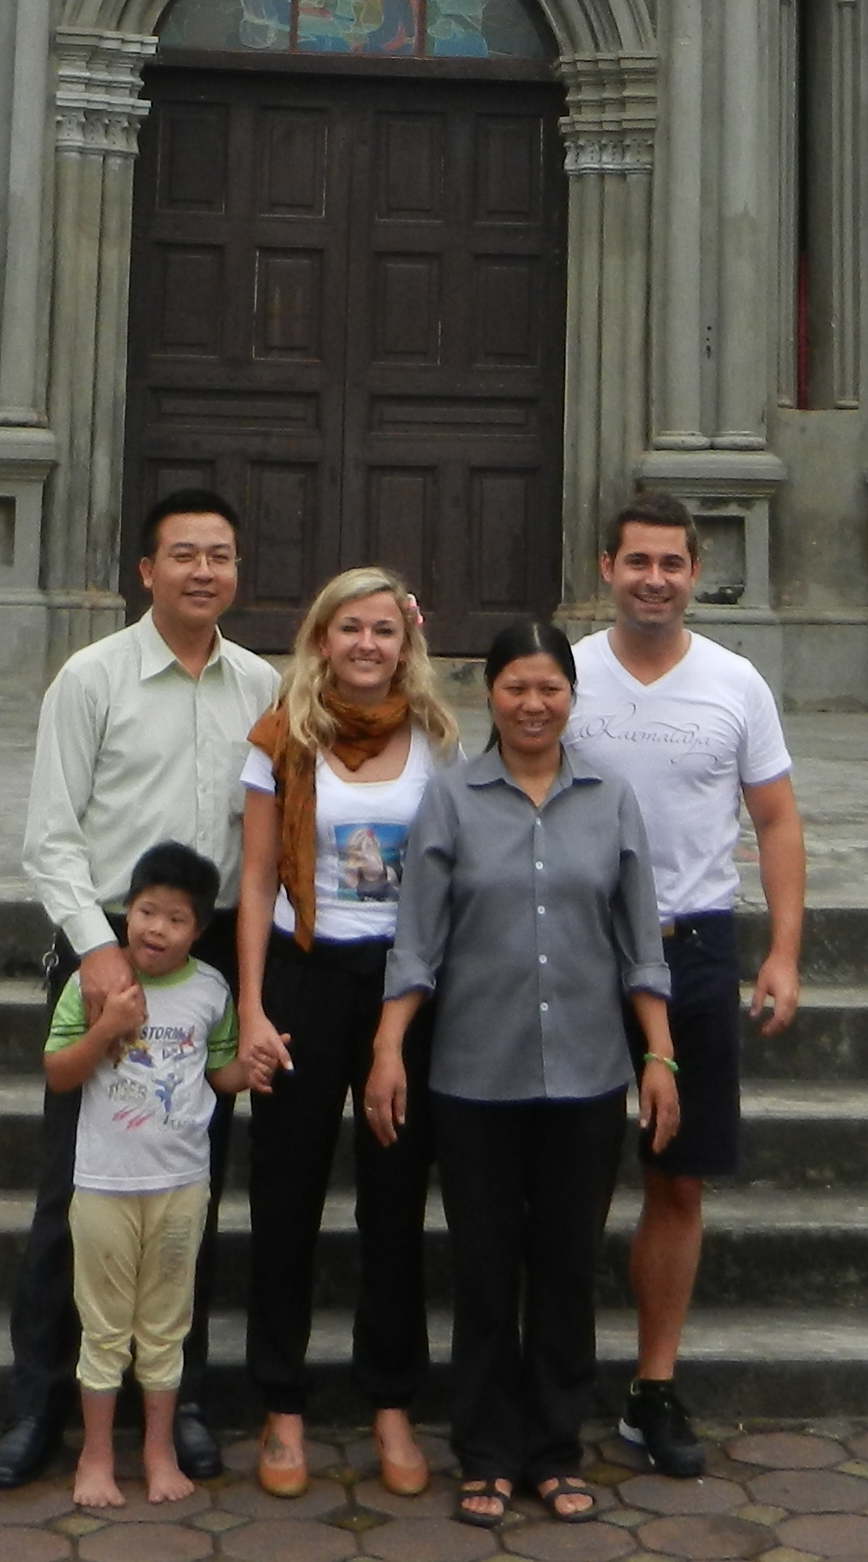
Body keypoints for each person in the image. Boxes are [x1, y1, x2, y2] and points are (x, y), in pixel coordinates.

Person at [0, 487, 280, 1492]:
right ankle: (38, 1404)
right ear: (145, 571)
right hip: (107, 950)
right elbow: (49, 835)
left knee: (182, 1192)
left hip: (205, 963)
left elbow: (269, 841)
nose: (205, 571)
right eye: (184, 554)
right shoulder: (93, 678)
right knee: (73, 1191)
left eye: (221, 554)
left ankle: (179, 1400)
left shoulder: (260, 688)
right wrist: (93, 951)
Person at [368, 618, 678, 1530]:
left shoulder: (610, 799)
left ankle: (554, 1449)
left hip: (587, 1075)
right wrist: (389, 1048)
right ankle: (486, 1452)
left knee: (568, 1269)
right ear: (489, 695)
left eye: (550, 689)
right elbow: (416, 941)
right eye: (516, 688)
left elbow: (639, 943)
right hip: (474, 1076)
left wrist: (658, 1056)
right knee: (484, 1268)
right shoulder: (454, 800)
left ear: (572, 698)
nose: (534, 705)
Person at [559, 491, 805, 1480]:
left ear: (695, 574)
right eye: (636, 562)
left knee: (678, 1173)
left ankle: (652, 1388)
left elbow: (776, 821)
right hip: (573, 946)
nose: (653, 579)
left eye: (672, 563)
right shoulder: (563, 676)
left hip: (694, 947)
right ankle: (552, 1374)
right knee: (561, 1173)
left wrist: (781, 953)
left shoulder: (734, 683)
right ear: (605, 570)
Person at [233, 568, 457, 1499]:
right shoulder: (280, 738)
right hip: (302, 973)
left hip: (401, 990)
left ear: (406, 645)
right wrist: (250, 1005)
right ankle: (281, 1406)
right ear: (320, 638)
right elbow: (252, 881)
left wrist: (397, 1028)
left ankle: (391, 1402)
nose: (367, 645)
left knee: (394, 1200)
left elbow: (442, 889)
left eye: (384, 631)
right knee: (285, 1196)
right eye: (349, 628)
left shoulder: (437, 744)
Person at [46, 839, 265, 1511]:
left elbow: (218, 1073)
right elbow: (58, 1073)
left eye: (175, 919)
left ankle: (159, 1451)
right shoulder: (97, 985)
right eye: (145, 912)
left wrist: (250, 1072)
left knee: (167, 1325)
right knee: (105, 1329)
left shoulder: (209, 990)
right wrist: (105, 1025)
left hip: (180, 1187)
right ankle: (96, 1455)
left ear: (198, 930)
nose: (157, 930)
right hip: (104, 1186)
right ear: (125, 913)